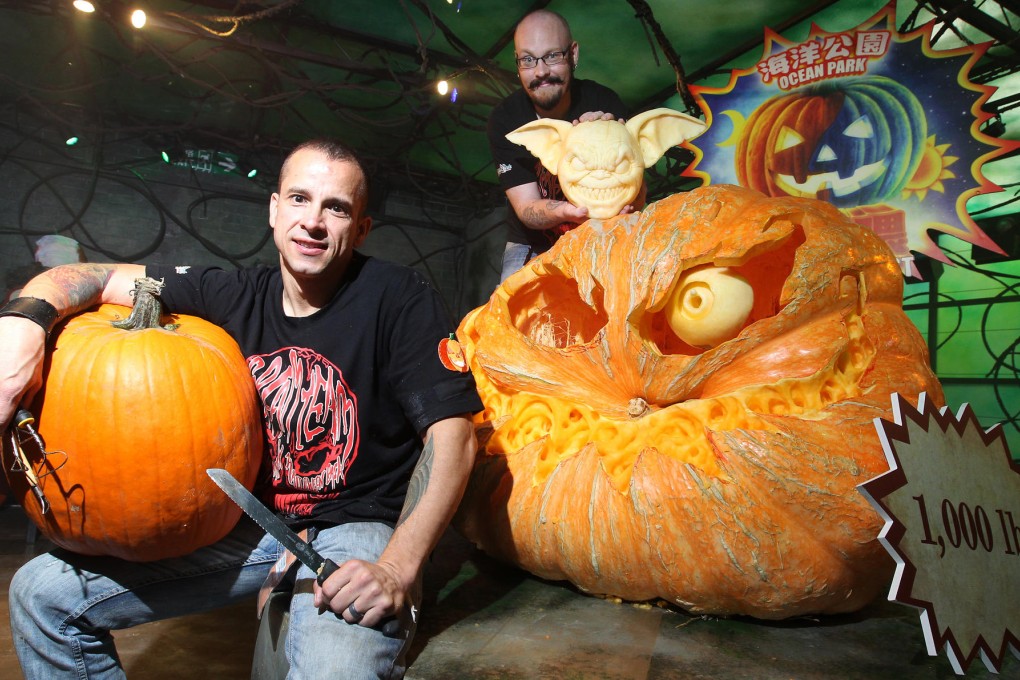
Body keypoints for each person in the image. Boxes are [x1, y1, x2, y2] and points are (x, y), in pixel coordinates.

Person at [0, 139, 482, 679]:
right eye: (299, 199)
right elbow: (97, 277)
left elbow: (454, 437)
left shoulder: (397, 295)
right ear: (274, 210)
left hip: (358, 522)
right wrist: (23, 322)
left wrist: (396, 568)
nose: (313, 222)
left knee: (330, 671)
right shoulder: (229, 294)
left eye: (336, 207)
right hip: (257, 526)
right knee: (42, 595)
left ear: (362, 229)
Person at [488, 9, 637, 281]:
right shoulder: (506, 119)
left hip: (598, 234)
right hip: (532, 243)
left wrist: (611, 135)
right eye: (528, 60)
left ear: (573, 54)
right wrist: (569, 212)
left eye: (553, 56)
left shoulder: (603, 103)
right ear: (517, 62)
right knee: (508, 315)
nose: (541, 71)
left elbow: (636, 192)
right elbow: (527, 209)